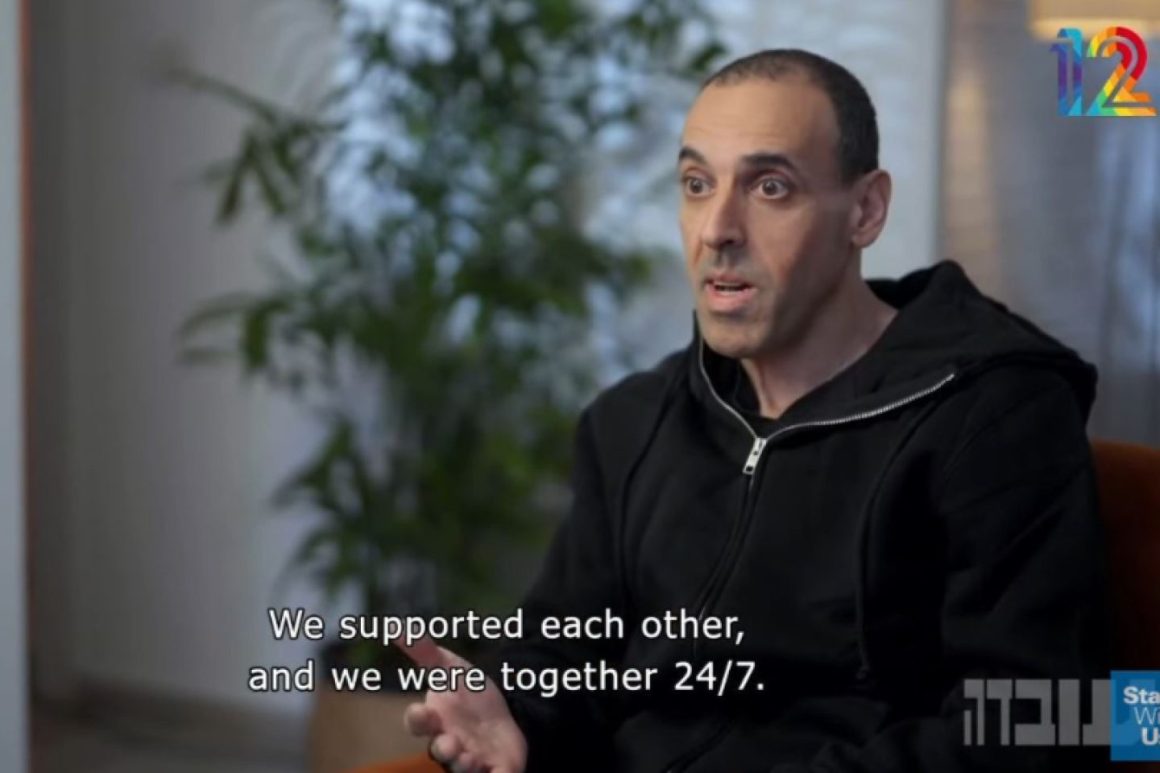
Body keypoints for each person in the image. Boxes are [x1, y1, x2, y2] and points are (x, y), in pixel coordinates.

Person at [398, 48, 1111, 772]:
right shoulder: (633, 423)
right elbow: (567, 657)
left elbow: (1056, 716)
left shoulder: (997, 414)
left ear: (865, 211)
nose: (717, 229)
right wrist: (517, 715)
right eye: (697, 184)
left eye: (771, 187)